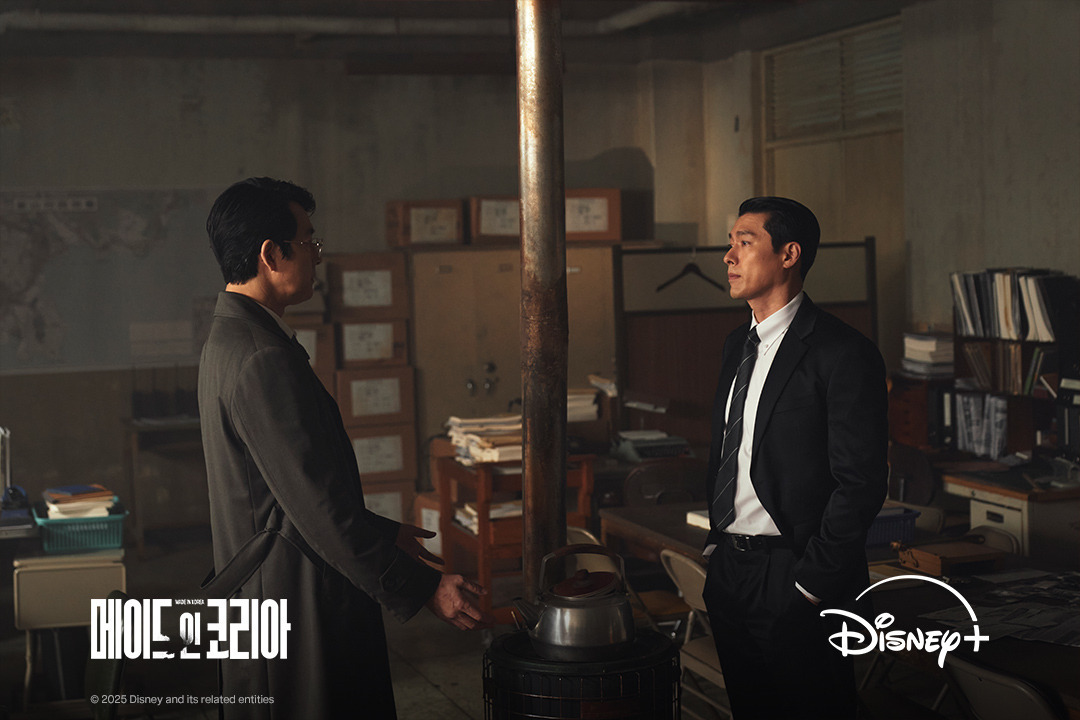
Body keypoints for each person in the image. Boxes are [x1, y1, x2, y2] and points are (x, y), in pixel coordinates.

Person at [198, 177, 492, 719]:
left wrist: (381, 532)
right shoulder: (261, 358)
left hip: (273, 589)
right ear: (271, 255)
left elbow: (284, 493)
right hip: (292, 599)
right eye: (308, 241)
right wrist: (423, 587)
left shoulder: (231, 339)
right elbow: (317, 509)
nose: (317, 255)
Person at [702, 197, 888, 719]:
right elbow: (730, 451)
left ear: (789, 254)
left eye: (744, 242)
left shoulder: (841, 351)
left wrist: (810, 585)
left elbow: (861, 482)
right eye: (730, 243)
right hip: (731, 572)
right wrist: (716, 549)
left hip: (797, 574)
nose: (728, 256)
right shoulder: (736, 344)